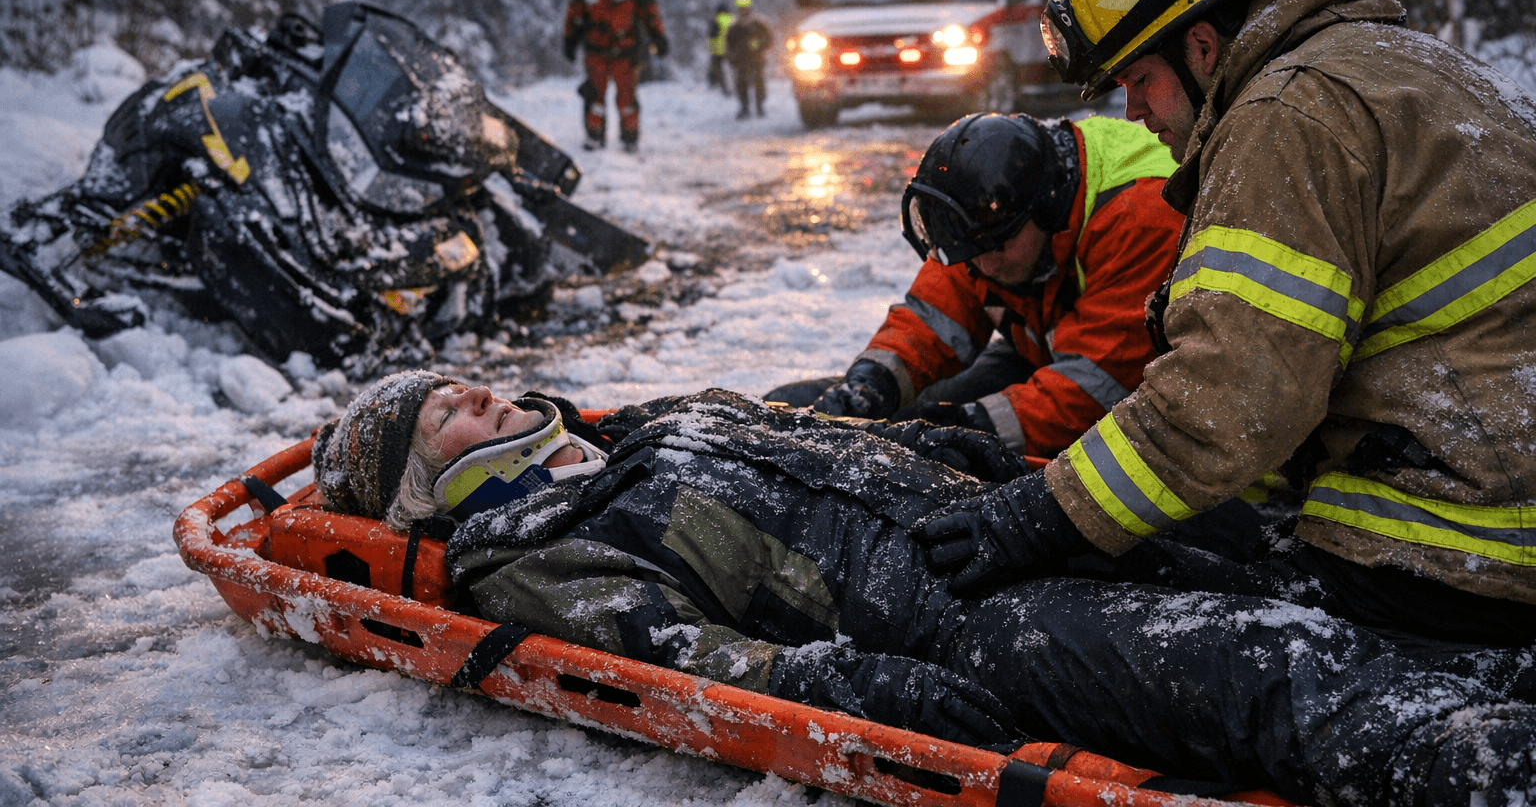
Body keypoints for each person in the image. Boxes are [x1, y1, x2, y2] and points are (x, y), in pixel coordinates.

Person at [313, 373, 1536, 806]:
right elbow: (679, 657)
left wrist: (985, 461)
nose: (477, 392)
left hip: (1000, 529)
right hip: (963, 620)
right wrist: (859, 683)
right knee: (1262, 669)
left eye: (465, 379)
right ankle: (1486, 763)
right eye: (443, 410)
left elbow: (839, 435)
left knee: (1302, 580)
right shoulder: (532, 547)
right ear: (417, 483)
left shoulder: (647, 421)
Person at [916, 0, 1536, 688]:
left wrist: (1038, 516)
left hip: (1463, 546)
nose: (1133, 112)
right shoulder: (1404, 62)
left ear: (1202, 45)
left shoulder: (1283, 116)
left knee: (1099, 634)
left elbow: (1232, 398)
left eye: (1139, 79)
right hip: (1496, 490)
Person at [806, 112, 1183, 461]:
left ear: (1046, 207)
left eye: (997, 246)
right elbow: (932, 318)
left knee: (953, 442)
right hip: (1051, 351)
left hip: (1150, 396)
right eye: (971, 252)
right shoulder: (988, 221)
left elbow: (1095, 388)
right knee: (924, 411)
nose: (985, 266)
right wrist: (870, 384)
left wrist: (971, 429)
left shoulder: (1142, 219)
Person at [563, 0, 668, 152]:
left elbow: (650, 12)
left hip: (626, 50)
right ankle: (594, 136)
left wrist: (658, 36)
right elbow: (574, 15)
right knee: (594, 96)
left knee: (627, 98)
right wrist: (569, 40)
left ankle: (630, 138)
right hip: (596, 51)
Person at [724, 0, 771, 119]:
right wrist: (732, 58)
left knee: (759, 84)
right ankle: (744, 108)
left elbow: (768, 39)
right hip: (741, 61)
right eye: (741, 9)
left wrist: (760, 48)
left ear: (750, 8)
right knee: (741, 85)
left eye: (745, 8)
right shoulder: (734, 28)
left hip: (756, 60)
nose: (743, 11)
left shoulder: (758, 25)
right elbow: (729, 44)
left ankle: (760, 107)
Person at [706, 2, 733, 95]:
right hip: (731, 50)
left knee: (718, 70)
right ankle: (734, 88)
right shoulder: (733, 19)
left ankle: (720, 87)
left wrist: (711, 49)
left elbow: (712, 35)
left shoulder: (716, 20)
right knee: (731, 71)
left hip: (718, 50)